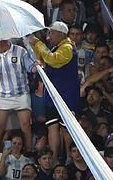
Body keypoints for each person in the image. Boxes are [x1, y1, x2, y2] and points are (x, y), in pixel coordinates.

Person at [30, 22, 80, 162]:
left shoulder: (67, 48)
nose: (49, 35)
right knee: (52, 126)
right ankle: (53, 160)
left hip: (65, 96)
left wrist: (39, 44)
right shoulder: (56, 47)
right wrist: (35, 46)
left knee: (66, 129)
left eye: (52, 32)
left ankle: (71, 159)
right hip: (52, 95)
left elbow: (53, 60)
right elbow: (44, 59)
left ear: (61, 34)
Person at [0, 40, 36, 154]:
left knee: (26, 126)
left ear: (5, 41)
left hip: (21, 93)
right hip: (2, 95)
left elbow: (31, 68)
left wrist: (37, 64)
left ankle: (28, 153)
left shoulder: (20, 51)